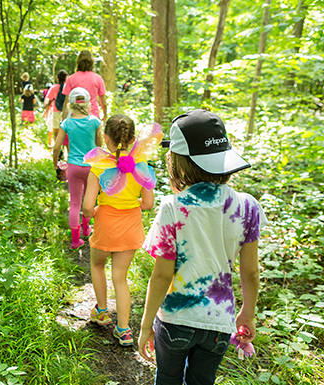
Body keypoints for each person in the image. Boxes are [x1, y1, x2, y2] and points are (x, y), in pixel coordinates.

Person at [137, 109, 268, 385]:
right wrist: (248, 313)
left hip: (175, 320)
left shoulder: (173, 207)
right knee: (202, 380)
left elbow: (162, 275)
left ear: (179, 163)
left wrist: (146, 325)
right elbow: (251, 272)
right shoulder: (247, 206)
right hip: (219, 324)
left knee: (168, 379)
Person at [82, 115, 162, 346]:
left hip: (106, 224)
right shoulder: (142, 165)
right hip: (130, 226)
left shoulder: (98, 167)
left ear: (104, 138)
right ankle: (125, 330)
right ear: (133, 139)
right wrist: (129, 204)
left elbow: (87, 207)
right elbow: (147, 203)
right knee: (121, 278)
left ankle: (102, 312)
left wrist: (94, 211)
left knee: (97, 264)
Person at [52, 87, 103, 249]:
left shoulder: (66, 123)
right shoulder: (95, 121)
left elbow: (56, 147)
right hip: (91, 167)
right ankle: (87, 229)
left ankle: (75, 241)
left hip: (73, 167)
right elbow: (100, 144)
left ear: (71, 105)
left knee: (75, 203)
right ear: (88, 103)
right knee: (89, 200)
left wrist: (55, 164)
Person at [61, 50, 107, 123]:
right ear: (92, 62)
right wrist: (105, 115)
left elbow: (67, 101)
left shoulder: (71, 78)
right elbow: (103, 102)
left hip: (76, 116)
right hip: (93, 116)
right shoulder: (98, 78)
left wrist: (63, 119)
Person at [43, 70, 68, 148]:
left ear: (57, 78)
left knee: (56, 132)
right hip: (66, 112)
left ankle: (58, 149)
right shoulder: (68, 87)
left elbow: (49, 101)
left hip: (56, 111)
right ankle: (67, 150)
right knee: (66, 132)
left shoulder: (53, 88)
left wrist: (46, 113)